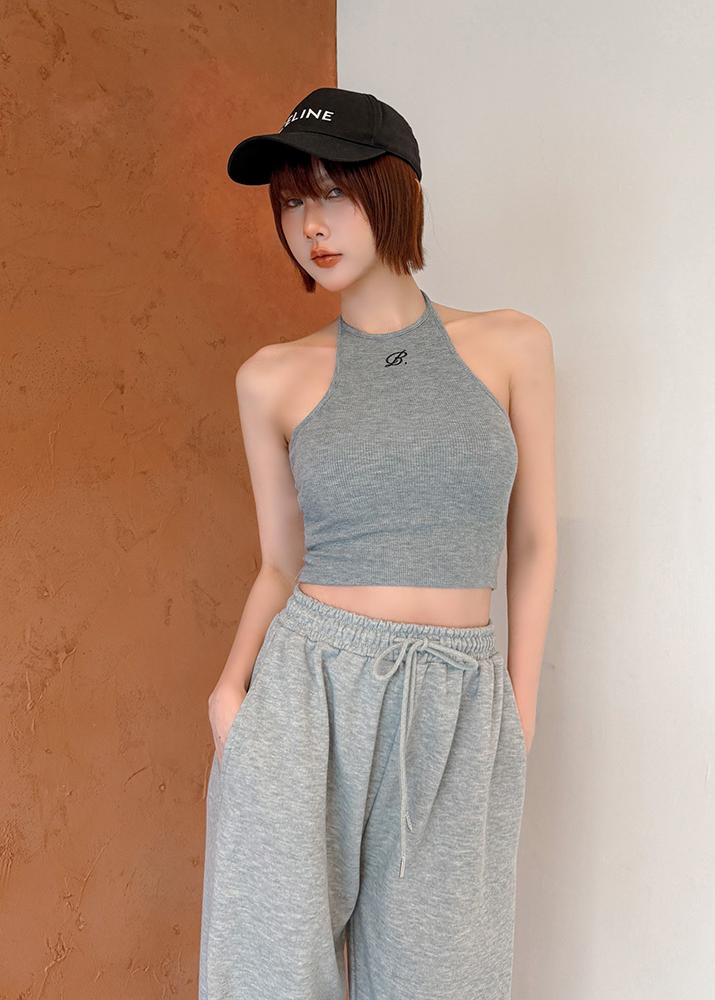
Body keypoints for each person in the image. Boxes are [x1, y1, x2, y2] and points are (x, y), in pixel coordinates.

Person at [200, 86, 557, 1000]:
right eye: (291, 201)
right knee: (271, 978)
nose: (310, 225)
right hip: (306, 693)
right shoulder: (272, 377)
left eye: (334, 191)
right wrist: (230, 692)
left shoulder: (511, 345)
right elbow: (279, 561)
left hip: (460, 701)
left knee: (446, 980)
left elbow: (533, 540)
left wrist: (518, 709)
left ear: (395, 192)